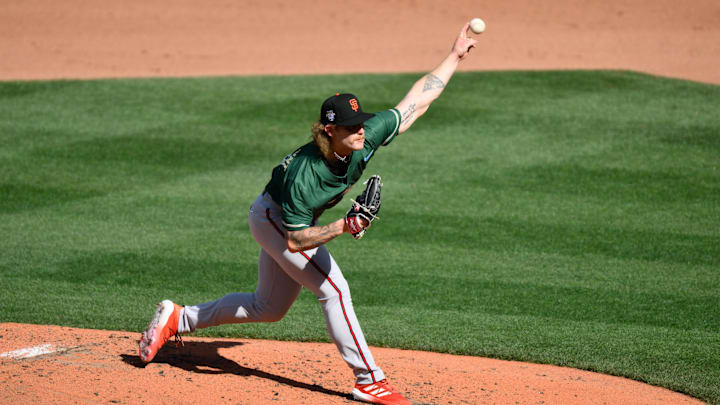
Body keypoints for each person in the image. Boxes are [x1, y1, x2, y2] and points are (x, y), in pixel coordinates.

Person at [138, 21, 477, 405]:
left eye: (361, 123)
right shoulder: (306, 174)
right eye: (351, 127)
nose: (361, 131)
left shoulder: (363, 137)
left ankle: (177, 318)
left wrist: (453, 56)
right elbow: (296, 240)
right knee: (333, 289)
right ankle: (369, 379)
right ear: (329, 132)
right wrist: (344, 226)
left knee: (268, 308)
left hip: (294, 221)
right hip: (275, 221)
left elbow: (414, 103)